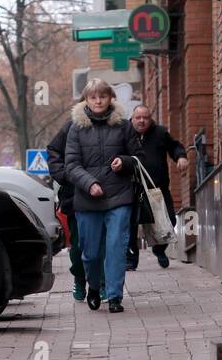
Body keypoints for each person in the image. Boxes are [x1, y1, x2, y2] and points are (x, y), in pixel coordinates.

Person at [62, 79, 137, 313]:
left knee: (116, 247)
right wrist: (90, 183)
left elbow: (138, 157)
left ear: (110, 98)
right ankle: (93, 286)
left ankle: (115, 296)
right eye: (93, 97)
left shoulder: (124, 126)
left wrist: (124, 162)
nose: (98, 101)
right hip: (88, 199)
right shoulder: (76, 128)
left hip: (119, 196)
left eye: (102, 96)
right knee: (91, 253)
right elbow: (71, 165)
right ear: (86, 99)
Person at [124, 104, 188, 270]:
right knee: (130, 224)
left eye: (145, 117)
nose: (142, 121)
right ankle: (130, 261)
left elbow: (174, 146)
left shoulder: (159, 133)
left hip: (157, 188)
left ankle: (159, 249)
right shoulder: (125, 133)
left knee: (171, 220)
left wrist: (180, 157)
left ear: (150, 119)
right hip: (132, 188)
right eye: (138, 118)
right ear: (132, 118)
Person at [46, 115, 85, 301]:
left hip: (105, 195)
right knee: (78, 244)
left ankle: (102, 283)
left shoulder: (114, 125)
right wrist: (63, 175)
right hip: (75, 195)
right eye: (92, 99)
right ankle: (79, 277)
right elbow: (53, 151)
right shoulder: (71, 126)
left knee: (104, 243)